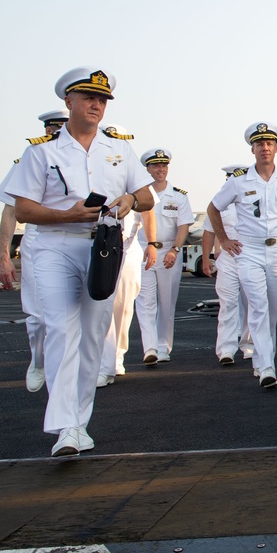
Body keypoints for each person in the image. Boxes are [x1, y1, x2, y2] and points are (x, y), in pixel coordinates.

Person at [5, 66, 153, 456]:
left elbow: (146, 197)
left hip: (102, 249)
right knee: (60, 328)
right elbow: (23, 209)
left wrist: (130, 201)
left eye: (102, 100)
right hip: (54, 246)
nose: (96, 105)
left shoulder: (120, 150)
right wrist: (68, 215)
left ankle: (78, 422)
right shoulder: (41, 151)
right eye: (88, 97)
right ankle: (65, 428)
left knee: (92, 336)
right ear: (68, 102)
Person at [208, 123, 277, 388]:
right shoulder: (238, 181)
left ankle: (261, 360)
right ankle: (268, 367)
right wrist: (223, 239)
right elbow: (213, 209)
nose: (265, 148)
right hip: (249, 251)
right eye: (259, 144)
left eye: (269, 143)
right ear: (253, 149)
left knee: (270, 311)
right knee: (257, 307)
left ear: (276, 148)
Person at [0, 108, 68, 392]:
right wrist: (3, 255)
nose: (56, 133)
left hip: (75, 238)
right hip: (38, 238)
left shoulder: (87, 159)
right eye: (52, 129)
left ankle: (66, 369)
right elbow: (10, 211)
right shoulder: (27, 159)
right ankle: (38, 361)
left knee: (74, 312)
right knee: (37, 314)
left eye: (61, 128)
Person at [97, 125, 158, 387]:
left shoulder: (130, 168)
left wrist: (152, 243)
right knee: (101, 302)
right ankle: (103, 363)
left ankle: (117, 357)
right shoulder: (91, 166)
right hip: (101, 243)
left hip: (128, 246)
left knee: (123, 306)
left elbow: (148, 208)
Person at [135, 149, 194, 365]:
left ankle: (163, 347)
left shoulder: (178, 196)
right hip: (143, 251)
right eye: (156, 166)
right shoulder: (139, 195)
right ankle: (149, 347)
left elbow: (183, 225)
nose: (161, 169)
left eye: (164, 165)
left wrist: (175, 250)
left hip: (170, 251)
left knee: (166, 303)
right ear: (148, 169)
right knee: (145, 301)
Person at [201, 165, 254, 365]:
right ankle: (226, 349)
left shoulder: (253, 198)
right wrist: (207, 258)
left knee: (252, 304)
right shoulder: (219, 203)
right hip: (229, 259)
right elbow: (209, 231)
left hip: (251, 256)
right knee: (228, 303)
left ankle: (249, 346)